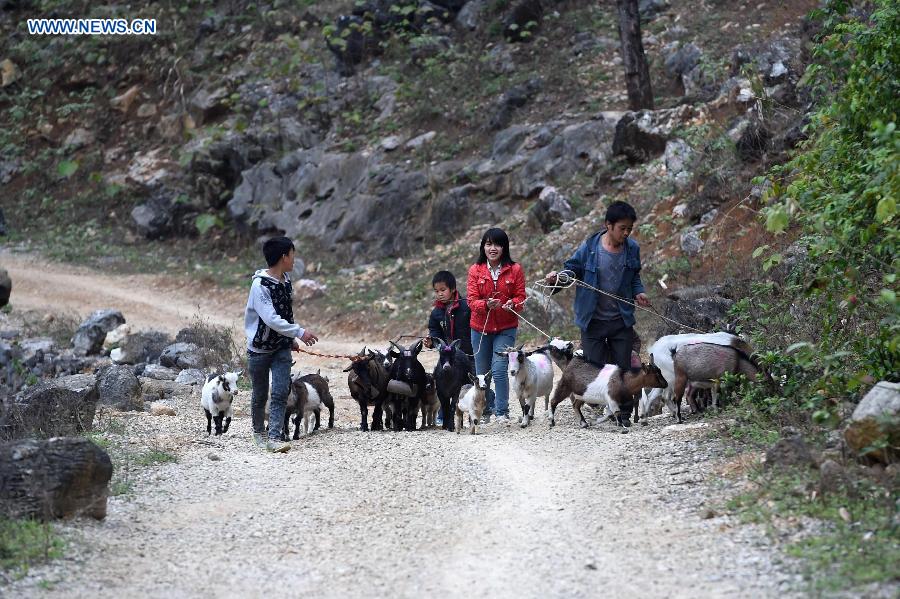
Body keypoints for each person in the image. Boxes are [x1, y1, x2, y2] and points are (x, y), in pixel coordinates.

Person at [544, 201, 650, 427]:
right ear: (608, 225)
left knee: (623, 368)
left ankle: (624, 414)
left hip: (620, 319)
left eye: (629, 229)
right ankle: (600, 403)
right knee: (594, 365)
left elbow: (635, 277)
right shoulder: (590, 248)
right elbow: (571, 270)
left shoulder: (632, 249)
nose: (626, 233)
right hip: (592, 319)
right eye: (622, 228)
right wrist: (558, 278)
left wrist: (638, 292)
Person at [244, 236, 319, 452]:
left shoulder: (286, 281)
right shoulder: (260, 285)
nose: (294, 259)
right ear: (283, 256)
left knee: (279, 392)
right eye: (292, 254)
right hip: (259, 349)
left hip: (281, 349)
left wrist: (290, 338)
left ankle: (275, 437)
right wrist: (300, 332)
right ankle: (259, 432)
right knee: (260, 392)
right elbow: (270, 319)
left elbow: (286, 314)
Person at [467, 228, 526, 425]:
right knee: (482, 373)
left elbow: (520, 298)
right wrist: (485, 305)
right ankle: (484, 410)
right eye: (488, 244)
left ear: (504, 247)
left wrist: (513, 304)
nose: (493, 248)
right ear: (483, 246)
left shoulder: (515, 269)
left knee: (500, 369)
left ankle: (502, 412)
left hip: (506, 327)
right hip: (480, 329)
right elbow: (472, 301)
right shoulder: (475, 270)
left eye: (497, 244)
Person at [423, 271, 474, 427]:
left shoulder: (467, 306)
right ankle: (444, 415)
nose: (440, 294)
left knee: (471, 383)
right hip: (447, 357)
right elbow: (435, 332)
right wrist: (431, 342)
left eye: (443, 290)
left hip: (468, 353)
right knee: (442, 382)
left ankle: (478, 411)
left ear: (452, 288)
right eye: (436, 291)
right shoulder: (436, 313)